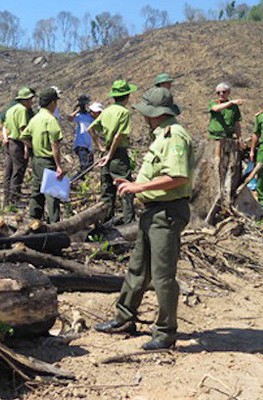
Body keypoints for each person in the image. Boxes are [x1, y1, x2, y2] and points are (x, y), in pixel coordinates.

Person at [94, 87, 194, 351]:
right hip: (154, 211)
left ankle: (165, 332)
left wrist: (138, 188)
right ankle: (124, 318)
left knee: (162, 275)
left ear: (156, 113)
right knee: (138, 268)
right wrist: (135, 184)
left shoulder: (174, 136)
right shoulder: (162, 135)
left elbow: (178, 177)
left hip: (168, 212)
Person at [89, 79, 137, 225]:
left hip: (106, 152)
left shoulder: (107, 111)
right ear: (127, 96)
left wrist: (101, 147)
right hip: (117, 154)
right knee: (125, 188)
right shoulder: (124, 113)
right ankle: (129, 223)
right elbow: (119, 135)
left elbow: (91, 129)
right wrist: (110, 154)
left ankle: (105, 221)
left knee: (107, 190)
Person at [21, 87, 64, 223]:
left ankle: (34, 219)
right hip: (47, 160)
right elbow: (55, 144)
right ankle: (54, 223)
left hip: (36, 160)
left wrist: (32, 147)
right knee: (52, 193)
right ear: (52, 103)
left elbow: (23, 136)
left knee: (37, 190)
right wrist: (59, 166)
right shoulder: (50, 120)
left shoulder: (35, 118)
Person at [3, 87, 36, 208]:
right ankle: (15, 199)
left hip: (11, 142)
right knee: (18, 170)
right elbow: (23, 130)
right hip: (18, 143)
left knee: (9, 171)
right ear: (26, 100)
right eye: (30, 99)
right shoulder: (22, 110)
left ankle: (7, 198)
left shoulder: (11, 110)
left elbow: (6, 126)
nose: (31, 102)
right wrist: (29, 145)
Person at [207, 82, 243, 178]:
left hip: (229, 138)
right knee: (216, 161)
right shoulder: (213, 103)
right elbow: (215, 109)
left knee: (229, 163)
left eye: (224, 92)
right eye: (219, 92)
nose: (221, 94)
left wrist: (239, 137)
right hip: (216, 138)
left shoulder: (234, 107)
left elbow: (236, 123)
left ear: (228, 93)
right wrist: (230, 103)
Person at [67, 95, 99, 180]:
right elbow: (70, 118)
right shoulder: (80, 116)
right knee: (84, 165)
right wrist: (78, 109)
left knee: (89, 166)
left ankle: (79, 179)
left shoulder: (90, 117)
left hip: (89, 145)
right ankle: (72, 181)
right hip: (81, 144)